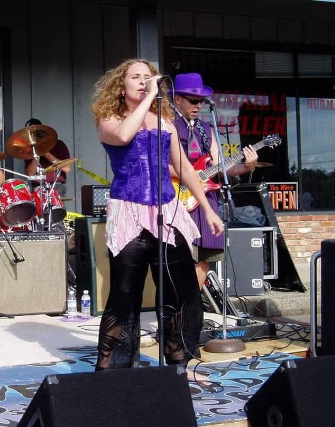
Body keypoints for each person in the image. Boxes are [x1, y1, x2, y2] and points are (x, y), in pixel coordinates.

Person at [91, 59, 223, 374]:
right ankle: (111, 371)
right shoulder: (110, 118)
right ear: (120, 86)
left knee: (181, 291)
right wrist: (150, 95)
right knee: (124, 296)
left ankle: (180, 365)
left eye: (148, 77)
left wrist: (206, 208)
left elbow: (183, 167)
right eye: (135, 77)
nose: (143, 81)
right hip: (130, 212)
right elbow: (124, 136)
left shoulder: (164, 121)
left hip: (166, 211)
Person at [171, 73, 258, 291]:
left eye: (200, 101)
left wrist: (247, 166)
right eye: (193, 100)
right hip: (176, 195)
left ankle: (190, 304)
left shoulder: (206, 130)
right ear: (177, 99)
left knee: (204, 256)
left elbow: (219, 167)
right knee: (178, 257)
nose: (198, 105)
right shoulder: (166, 125)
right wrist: (187, 174)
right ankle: (177, 306)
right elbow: (158, 163)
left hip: (205, 200)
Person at [24, 118, 71, 198]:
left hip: (56, 186)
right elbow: (29, 174)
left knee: (56, 206)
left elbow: (67, 168)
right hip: (38, 187)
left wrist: (45, 152)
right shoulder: (29, 149)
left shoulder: (58, 144)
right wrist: (36, 157)